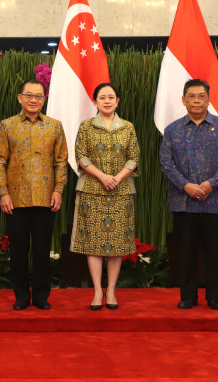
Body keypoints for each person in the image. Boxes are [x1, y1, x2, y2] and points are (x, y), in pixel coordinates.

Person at [159, 79, 218, 311]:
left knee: (214, 252)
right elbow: (166, 161)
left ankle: (215, 297)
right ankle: (188, 296)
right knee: (186, 252)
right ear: (183, 100)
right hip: (184, 201)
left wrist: (212, 184)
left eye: (201, 96)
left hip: (216, 201)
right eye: (191, 96)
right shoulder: (172, 129)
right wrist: (186, 185)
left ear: (209, 99)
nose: (196, 100)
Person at [0, 78, 68, 310]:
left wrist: (58, 189)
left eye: (38, 96)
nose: (33, 100)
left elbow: (61, 161)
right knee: (18, 250)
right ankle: (21, 296)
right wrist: (3, 193)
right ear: (20, 98)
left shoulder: (54, 126)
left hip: (46, 198)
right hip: (15, 199)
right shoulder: (7, 126)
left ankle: (42, 296)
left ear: (44, 99)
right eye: (29, 95)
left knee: (42, 250)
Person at [70, 83, 139, 311]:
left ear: (117, 101)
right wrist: (102, 177)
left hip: (121, 191)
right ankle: (98, 291)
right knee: (94, 243)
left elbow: (134, 157)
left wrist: (116, 178)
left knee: (117, 243)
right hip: (92, 190)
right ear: (95, 102)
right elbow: (80, 156)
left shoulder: (128, 127)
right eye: (102, 97)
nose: (107, 101)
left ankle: (111, 290)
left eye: (111, 97)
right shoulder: (86, 126)